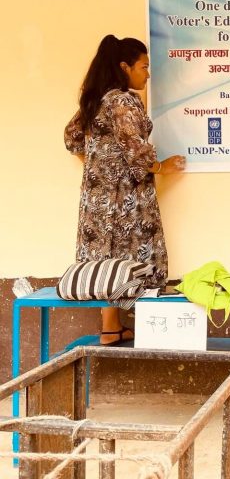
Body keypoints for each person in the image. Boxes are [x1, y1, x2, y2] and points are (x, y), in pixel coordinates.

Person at [64, 35, 186, 344]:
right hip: (125, 197)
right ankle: (137, 328)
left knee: (107, 257)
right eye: (143, 67)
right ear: (124, 67)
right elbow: (136, 150)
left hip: (97, 197)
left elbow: (72, 139)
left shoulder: (96, 100)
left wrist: (101, 161)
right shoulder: (122, 99)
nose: (147, 74)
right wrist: (162, 166)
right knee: (132, 253)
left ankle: (110, 328)